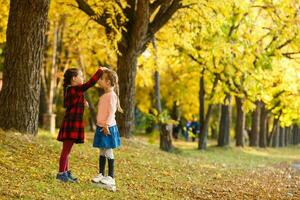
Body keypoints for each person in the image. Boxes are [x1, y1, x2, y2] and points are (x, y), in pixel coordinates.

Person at [56, 67, 104, 182]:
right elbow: (90, 84)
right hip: (71, 124)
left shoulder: (71, 90)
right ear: (74, 78)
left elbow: (71, 103)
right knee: (66, 151)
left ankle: (65, 173)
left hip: (71, 123)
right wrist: (100, 71)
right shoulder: (74, 89)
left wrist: (83, 103)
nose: (83, 78)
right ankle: (61, 174)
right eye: (81, 76)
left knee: (67, 150)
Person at [92, 69, 122, 188]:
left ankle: (111, 177)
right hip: (101, 127)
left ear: (108, 82)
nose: (99, 81)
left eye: (101, 79)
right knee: (102, 151)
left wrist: (106, 125)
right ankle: (101, 174)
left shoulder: (111, 96)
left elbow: (111, 112)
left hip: (107, 128)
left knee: (108, 151)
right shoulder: (104, 96)